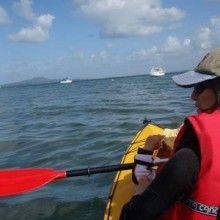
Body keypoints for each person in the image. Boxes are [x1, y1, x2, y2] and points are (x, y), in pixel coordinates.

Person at [120, 47, 220, 220]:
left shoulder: (191, 155)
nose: (193, 97)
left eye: (200, 87)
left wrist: (140, 194)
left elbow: (132, 216)